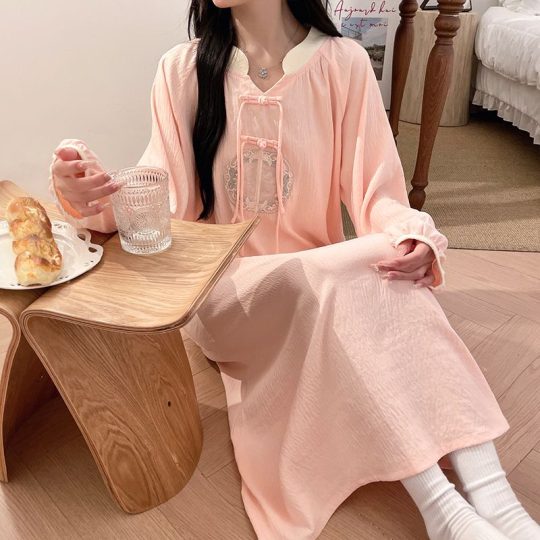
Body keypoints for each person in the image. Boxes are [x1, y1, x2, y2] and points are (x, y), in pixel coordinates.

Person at [48, 1, 540, 539]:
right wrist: (90, 196)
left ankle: (495, 504)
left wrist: (411, 233)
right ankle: (446, 510)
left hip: (326, 290)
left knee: (383, 264)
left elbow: (377, 191)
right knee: (354, 270)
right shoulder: (184, 70)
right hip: (231, 296)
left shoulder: (343, 63)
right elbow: (164, 200)